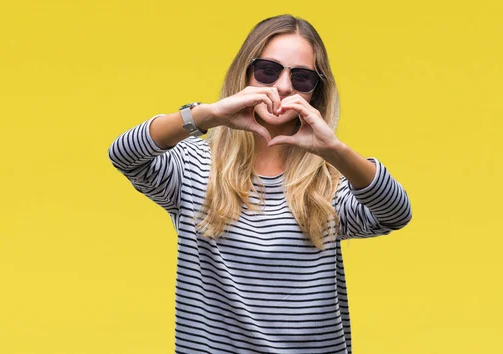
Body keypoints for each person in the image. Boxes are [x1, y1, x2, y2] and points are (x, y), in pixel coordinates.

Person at [108, 14, 412, 354]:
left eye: (302, 78)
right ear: (245, 73)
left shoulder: (329, 181)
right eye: (268, 70)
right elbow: (124, 153)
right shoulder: (194, 166)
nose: (282, 86)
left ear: (316, 92)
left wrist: (334, 150)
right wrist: (206, 115)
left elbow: (396, 213)